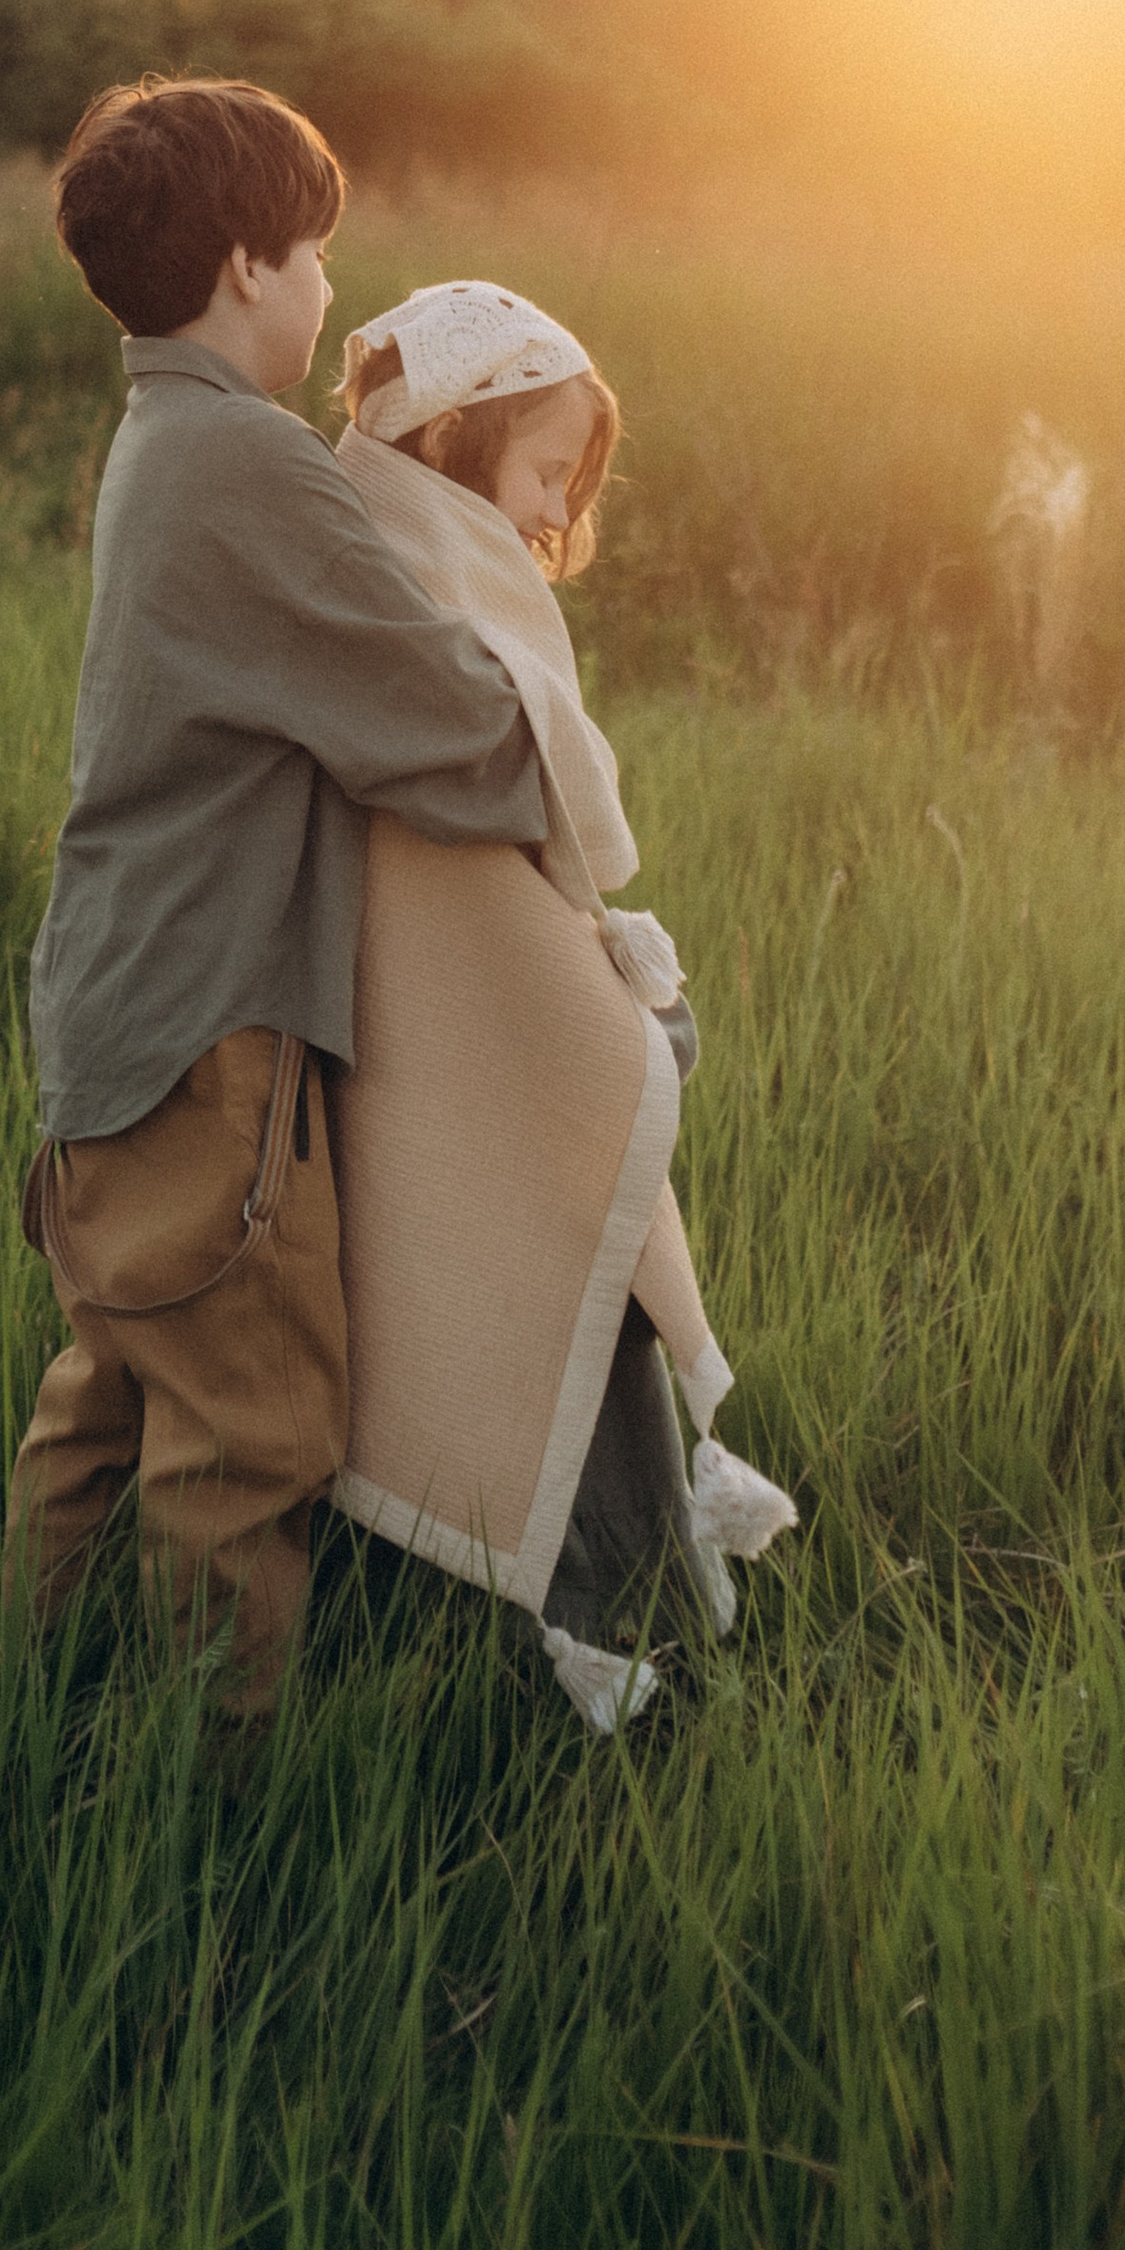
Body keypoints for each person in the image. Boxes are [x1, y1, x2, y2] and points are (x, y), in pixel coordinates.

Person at [5, 83, 552, 1720]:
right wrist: (543, 700)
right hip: (205, 1033)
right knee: (251, 1442)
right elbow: (457, 739)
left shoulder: (165, 437)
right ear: (246, 266)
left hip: (116, 1012)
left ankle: (30, 1734)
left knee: (116, 1397)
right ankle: (203, 1829)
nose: (328, 292)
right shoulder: (246, 461)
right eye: (313, 252)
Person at [326, 280, 797, 1728]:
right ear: (457, 444)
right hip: (458, 1016)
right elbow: (489, 794)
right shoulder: (413, 578)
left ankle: (636, 1585)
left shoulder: (430, 560)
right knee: (562, 1282)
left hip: (498, 996)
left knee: (594, 1282)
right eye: (542, 471)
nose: (553, 512)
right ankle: (605, 1625)